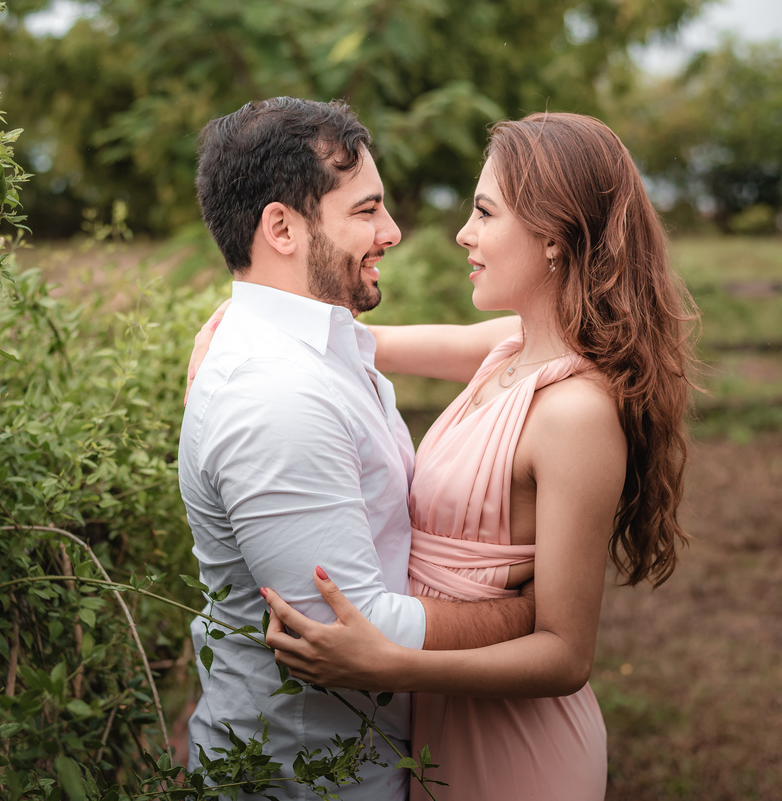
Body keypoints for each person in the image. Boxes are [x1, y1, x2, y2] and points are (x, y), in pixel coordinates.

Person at [257, 112, 698, 801]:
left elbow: (565, 653)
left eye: (484, 213)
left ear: (552, 235)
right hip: (441, 721)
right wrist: (252, 325)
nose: (464, 232)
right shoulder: (511, 347)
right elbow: (367, 341)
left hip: (517, 750)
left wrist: (392, 663)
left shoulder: (575, 411)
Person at [177, 97, 538, 801]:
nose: (392, 230)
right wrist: (531, 617)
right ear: (280, 227)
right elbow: (353, 626)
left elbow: (517, 342)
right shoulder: (277, 395)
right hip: (305, 777)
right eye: (367, 210)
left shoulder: (319, 346)